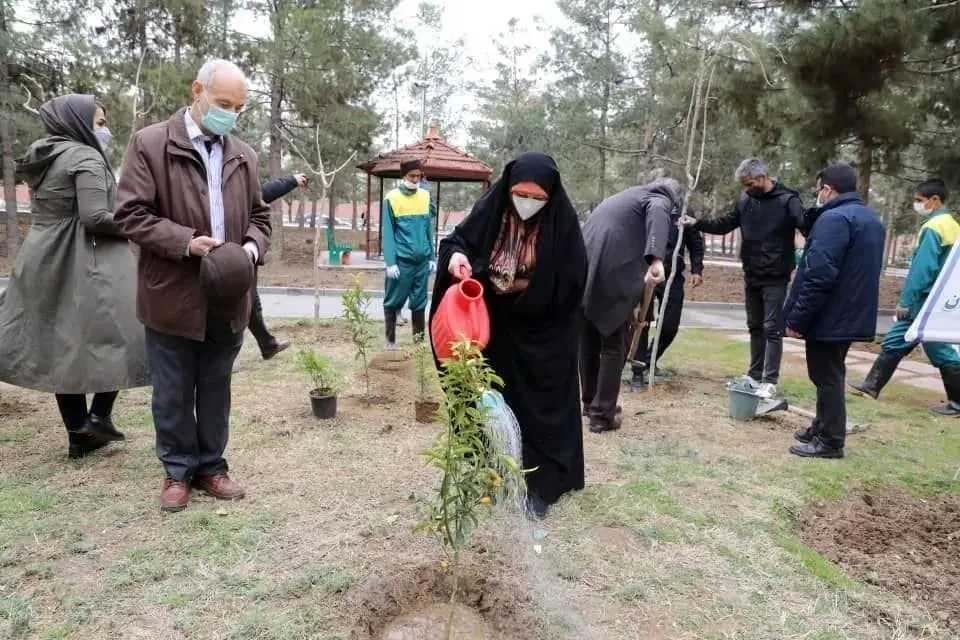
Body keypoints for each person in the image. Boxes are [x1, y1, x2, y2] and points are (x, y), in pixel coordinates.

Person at [114, 59, 271, 512]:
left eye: (239, 107)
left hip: (228, 294)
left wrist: (249, 251)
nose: (231, 114)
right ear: (197, 90)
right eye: (224, 103)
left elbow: (260, 218)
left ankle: (211, 467)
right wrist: (187, 243)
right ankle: (177, 471)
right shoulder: (150, 144)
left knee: (216, 386)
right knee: (173, 392)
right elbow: (130, 215)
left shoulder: (243, 153)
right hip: (172, 293)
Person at [430, 151, 587, 519]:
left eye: (537, 198)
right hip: (496, 329)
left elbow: (571, 281)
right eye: (521, 194)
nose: (527, 204)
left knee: (540, 410)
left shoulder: (561, 226)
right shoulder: (493, 211)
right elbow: (457, 242)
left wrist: (521, 285)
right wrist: (456, 259)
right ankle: (495, 471)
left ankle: (540, 485)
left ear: (550, 196)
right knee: (495, 402)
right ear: (507, 189)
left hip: (544, 334)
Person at [0, 94, 150, 459]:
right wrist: (140, 225)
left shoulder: (44, 155)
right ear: (77, 122)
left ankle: (79, 436)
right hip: (86, 257)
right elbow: (96, 217)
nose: (106, 130)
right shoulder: (85, 156)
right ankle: (98, 416)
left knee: (59, 343)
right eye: (99, 122)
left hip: (43, 254)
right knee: (126, 330)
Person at [783, 164, 885, 458]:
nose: (819, 195)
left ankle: (830, 442)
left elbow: (818, 274)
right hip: (851, 312)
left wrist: (798, 318)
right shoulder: (870, 219)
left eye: (820, 189)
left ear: (828, 189)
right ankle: (821, 426)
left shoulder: (834, 219)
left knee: (826, 375)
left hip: (831, 313)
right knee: (831, 372)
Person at [683, 157, 806, 399]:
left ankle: (770, 381)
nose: (746, 189)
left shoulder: (787, 200)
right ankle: (753, 374)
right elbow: (724, 224)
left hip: (776, 276)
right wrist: (696, 224)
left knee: (772, 328)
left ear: (762, 178)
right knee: (754, 326)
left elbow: (806, 225)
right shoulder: (746, 201)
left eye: (749, 184)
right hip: (752, 274)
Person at [848, 179, 960, 417]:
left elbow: (923, 268)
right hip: (939, 298)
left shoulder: (934, 227)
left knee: (938, 349)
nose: (916, 205)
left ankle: (958, 403)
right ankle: (871, 386)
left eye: (920, 200)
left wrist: (906, 300)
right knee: (899, 340)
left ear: (935, 200)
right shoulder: (952, 225)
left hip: (925, 299)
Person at [580, 179, 673, 433]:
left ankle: (589, 403)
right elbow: (658, 212)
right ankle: (602, 414)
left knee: (588, 339)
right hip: (610, 269)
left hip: (586, 264)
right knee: (613, 343)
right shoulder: (659, 198)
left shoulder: (625, 197)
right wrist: (656, 259)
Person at [231, 172, 307, 373]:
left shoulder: (238, 186)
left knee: (251, 304)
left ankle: (267, 345)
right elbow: (264, 193)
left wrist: (291, 181)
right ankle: (230, 357)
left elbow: (262, 193)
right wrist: (291, 181)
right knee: (238, 306)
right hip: (229, 259)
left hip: (243, 255)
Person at [629, 200, 705, 391]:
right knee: (642, 322)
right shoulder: (645, 208)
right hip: (646, 272)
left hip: (672, 275)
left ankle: (649, 359)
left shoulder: (683, 211)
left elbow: (695, 244)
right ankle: (637, 374)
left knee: (671, 325)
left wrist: (697, 269)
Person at [382, 159, 436, 348]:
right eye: (412, 176)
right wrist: (390, 262)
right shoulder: (391, 198)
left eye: (418, 176)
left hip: (422, 262)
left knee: (420, 303)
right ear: (403, 176)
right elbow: (388, 232)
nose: (415, 180)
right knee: (392, 300)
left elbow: (429, 228)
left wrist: (432, 257)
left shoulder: (425, 196)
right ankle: (390, 342)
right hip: (401, 262)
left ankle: (419, 343)